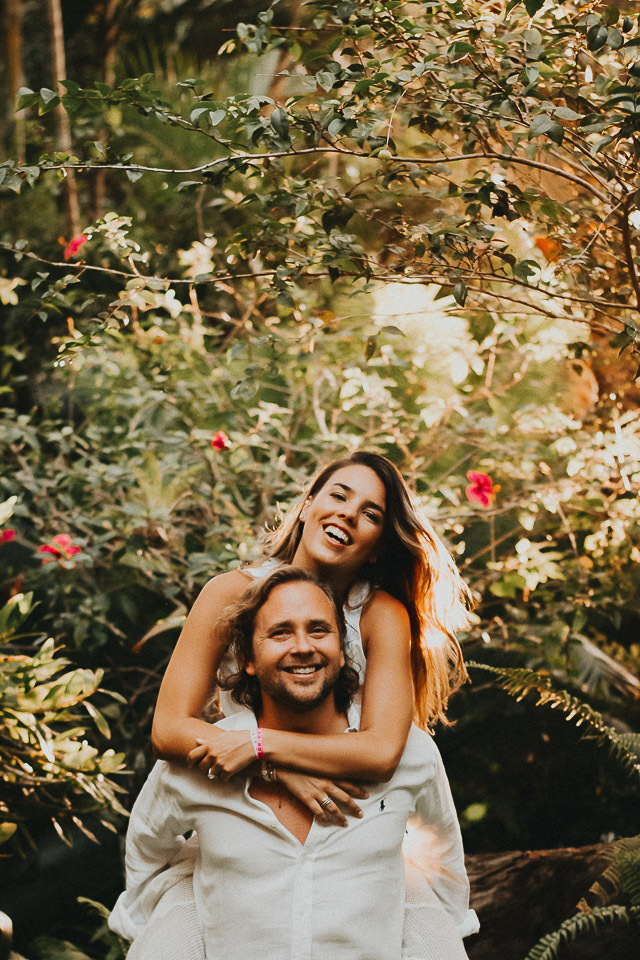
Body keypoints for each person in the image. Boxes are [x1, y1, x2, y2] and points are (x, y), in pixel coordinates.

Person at [109, 567, 479, 960]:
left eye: (319, 630)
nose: (302, 646)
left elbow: (445, 870)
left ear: (341, 649)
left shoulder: (412, 755)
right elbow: (148, 854)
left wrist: (423, 918)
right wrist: (185, 907)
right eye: (281, 632)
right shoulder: (201, 760)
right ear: (248, 658)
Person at [151, 451, 472, 822]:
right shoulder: (228, 593)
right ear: (306, 506)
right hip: (247, 802)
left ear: (378, 547)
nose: (349, 514)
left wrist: (260, 746)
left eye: (371, 515)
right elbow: (167, 729)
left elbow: (382, 753)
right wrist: (277, 770)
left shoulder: (380, 615)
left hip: (351, 810)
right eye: (339, 495)